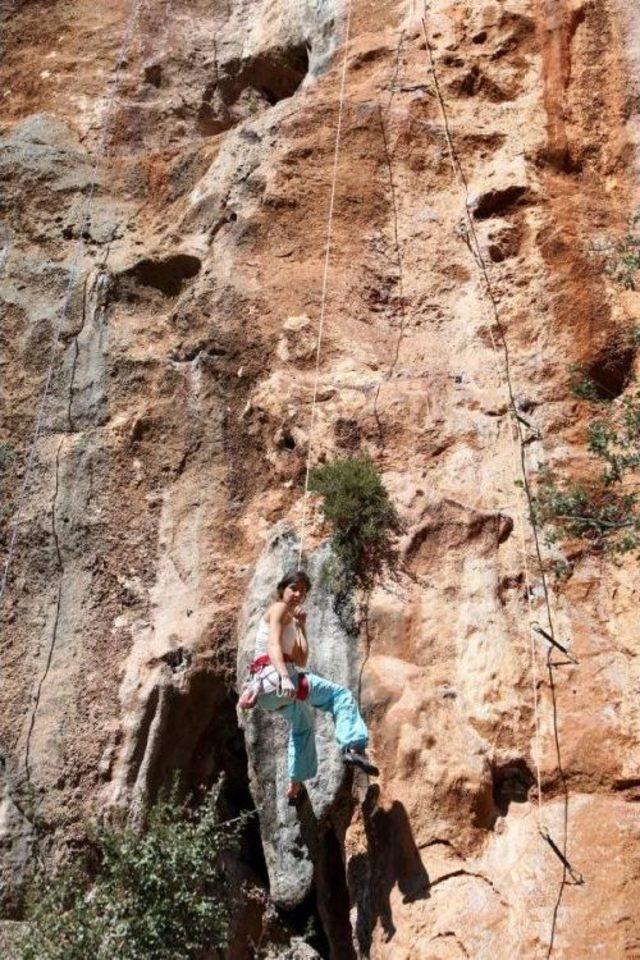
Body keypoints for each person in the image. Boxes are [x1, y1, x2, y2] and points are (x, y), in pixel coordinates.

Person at [239, 569, 378, 805]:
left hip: (269, 696)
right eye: (294, 588)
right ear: (282, 589)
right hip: (279, 680)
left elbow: (301, 660)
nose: (297, 594)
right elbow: (273, 644)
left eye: (303, 591)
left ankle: (295, 787)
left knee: (302, 725)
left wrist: (301, 627)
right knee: (340, 695)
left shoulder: (291, 619)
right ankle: (353, 746)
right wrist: (284, 677)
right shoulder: (278, 608)